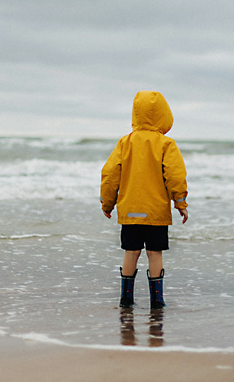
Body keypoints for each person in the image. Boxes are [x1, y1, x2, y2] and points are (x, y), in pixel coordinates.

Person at [100, 91, 189, 309]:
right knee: (154, 253)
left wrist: (107, 202)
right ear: (163, 115)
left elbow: (110, 174)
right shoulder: (166, 144)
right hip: (155, 211)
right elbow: (175, 176)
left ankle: (126, 299)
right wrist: (180, 203)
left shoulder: (125, 142)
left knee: (131, 251)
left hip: (130, 211)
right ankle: (157, 301)